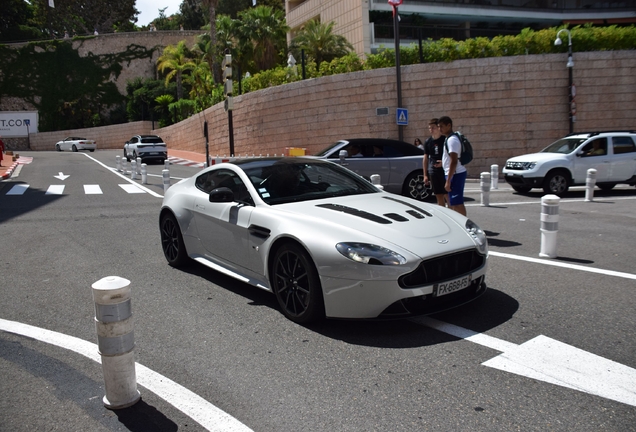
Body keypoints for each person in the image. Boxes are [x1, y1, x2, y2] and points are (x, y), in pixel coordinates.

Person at [438, 116, 467, 216]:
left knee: (457, 203)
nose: (439, 129)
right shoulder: (449, 139)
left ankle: (465, 226)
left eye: (441, 126)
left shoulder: (452, 140)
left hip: (456, 174)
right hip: (454, 173)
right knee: (454, 203)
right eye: (438, 126)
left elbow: (454, 161)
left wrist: (448, 180)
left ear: (449, 125)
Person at [422, 118, 447, 207]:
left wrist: (443, 163)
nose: (431, 130)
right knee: (438, 195)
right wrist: (425, 175)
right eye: (429, 128)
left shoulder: (445, 140)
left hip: (445, 171)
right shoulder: (428, 142)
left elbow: (452, 157)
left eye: (433, 127)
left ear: (438, 128)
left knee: (447, 195)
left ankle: (452, 215)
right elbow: (425, 158)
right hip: (433, 171)